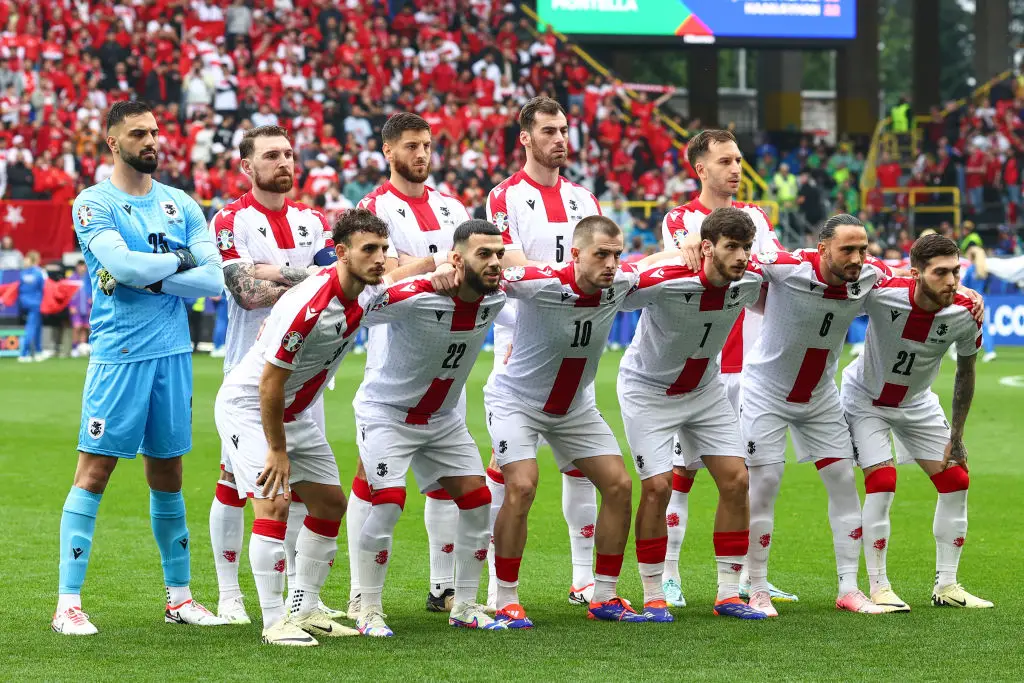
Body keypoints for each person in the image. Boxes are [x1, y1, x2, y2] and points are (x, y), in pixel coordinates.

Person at [213, 208, 449, 646]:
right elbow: (269, 382)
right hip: (251, 406)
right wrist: (277, 450)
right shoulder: (310, 305)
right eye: (369, 250)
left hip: (294, 411)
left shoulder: (362, 290)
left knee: (329, 505)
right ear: (340, 253)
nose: (381, 258)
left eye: (383, 249)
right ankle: (272, 621)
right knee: (274, 503)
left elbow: (398, 282)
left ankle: (303, 610)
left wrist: (437, 263)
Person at [55, 100, 227, 635]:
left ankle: (179, 598)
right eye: (138, 133)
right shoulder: (93, 203)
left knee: (169, 474)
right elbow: (122, 265)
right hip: (120, 354)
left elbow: (215, 277)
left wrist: (151, 275)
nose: (152, 140)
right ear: (113, 142)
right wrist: (178, 263)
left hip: (173, 353)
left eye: (155, 131)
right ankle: (68, 604)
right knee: (95, 471)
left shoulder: (181, 203)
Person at [487, 216, 672, 628]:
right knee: (521, 485)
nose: (611, 263)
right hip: (516, 400)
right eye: (601, 254)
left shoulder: (620, 284)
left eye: (617, 254)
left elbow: (660, 264)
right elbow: (488, 270)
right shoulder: (539, 281)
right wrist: (446, 267)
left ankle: (604, 595)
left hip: (574, 407)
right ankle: (505, 597)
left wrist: (694, 247)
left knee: (619, 485)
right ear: (575, 254)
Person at [207, 124, 345, 625]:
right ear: (247, 166)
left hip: (307, 379)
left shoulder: (313, 219)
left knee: (304, 487)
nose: (285, 162)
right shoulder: (230, 219)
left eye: (289, 153)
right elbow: (245, 290)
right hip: (251, 371)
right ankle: (230, 595)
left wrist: (276, 273)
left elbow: (341, 278)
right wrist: (311, 278)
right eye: (271, 155)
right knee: (235, 483)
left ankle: (299, 599)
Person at [353, 220, 508, 637]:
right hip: (387, 413)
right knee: (387, 502)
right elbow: (361, 303)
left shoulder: (500, 296)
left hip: (441, 419)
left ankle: (467, 604)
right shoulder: (417, 295)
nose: (495, 263)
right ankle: (367, 608)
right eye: (484, 255)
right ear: (456, 260)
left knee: (477, 501)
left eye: (499, 254)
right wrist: (421, 271)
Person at [659, 129, 792, 608]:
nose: (736, 168)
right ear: (700, 168)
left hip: (754, 369)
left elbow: (772, 272)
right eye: (724, 161)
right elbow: (691, 259)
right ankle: (670, 573)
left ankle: (749, 577)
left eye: (738, 159)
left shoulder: (756, 217)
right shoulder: (681, 218)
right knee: (682, 472)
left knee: (750, 476)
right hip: (703, 367)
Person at [484, 96, 604, 609]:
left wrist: (560, 280)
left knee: (579, 465)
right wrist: (571, 279)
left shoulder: (584, 198)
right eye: (549, 131)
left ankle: (583, 579)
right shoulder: (504, 196)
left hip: (576, 343)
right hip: (522, 341)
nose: (560, 139)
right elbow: (509, 265)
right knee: (511, 469)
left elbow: (601, 261)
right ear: (526, 139)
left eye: (565, 129)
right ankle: (491, 584)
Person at [619, 207, 768, 621]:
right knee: (657, 487)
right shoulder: (669, 280)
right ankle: (653, 595)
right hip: (648, 391)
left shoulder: (750, 280)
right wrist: (666, 255)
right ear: (706, 248)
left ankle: (727, 594)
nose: (741, 256)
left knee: (737, 480)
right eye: (731, 247)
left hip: (705, 391)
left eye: (746, 247)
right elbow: (624, 280)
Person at [740, 214, 892, 617]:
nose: (858, 258)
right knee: (766, 483)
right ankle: (756, 589)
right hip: (765, 392)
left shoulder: (870, 275)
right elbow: (736, 262)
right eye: (848, 249)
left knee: (844, 481)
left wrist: (968, 293)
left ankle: (848, 587)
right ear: (823, 248)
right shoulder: (786, 266)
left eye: (863, 249)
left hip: (820, 395)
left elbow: (913, 282)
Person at [352, 112, 470, 616]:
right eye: (412, 146)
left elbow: (472, 262)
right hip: (394, 356)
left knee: (444, 477)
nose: (422, 154)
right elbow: (377, 269)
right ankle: (361, 592)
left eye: (427, 145)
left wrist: (436, 266)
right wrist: (432, 265)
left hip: (450, 357)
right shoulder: (373, 206)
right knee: (376, 477)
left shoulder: (453, 206)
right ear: (388, 152)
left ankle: (443, 586)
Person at [841, 234, 992, 611]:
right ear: (915, 274)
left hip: (917, 402)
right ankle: (879, 587)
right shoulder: (882, 291)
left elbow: (966, 374)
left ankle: (947, 585)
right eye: (940, 273)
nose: (952, 281)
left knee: (956, 479)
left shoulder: (965, 310)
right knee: (882, 480)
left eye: (956, 271)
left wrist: (956, 436)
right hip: (866, 399)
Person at [17, 250, 46, 362]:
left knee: (37, 326)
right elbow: (44, 288)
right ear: (37, 259)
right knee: (31, 327)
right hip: (36, 303)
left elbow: (19, 288)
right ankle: (24, 353)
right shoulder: (39, 272)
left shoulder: (22, 273)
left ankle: (38, 351)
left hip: (24, 302)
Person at [68, 260, 93, 357]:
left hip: (86, 307)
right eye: (80, 266)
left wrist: (91, 305)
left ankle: (82, 349)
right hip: (76, 308)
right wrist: (71, 306)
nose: (82, 268)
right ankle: (74, 348)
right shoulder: (72, 279)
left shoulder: (89, 278)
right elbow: (68, 295)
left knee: (85, 328)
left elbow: (92, 293)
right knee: (76, 327)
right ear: (77, 267)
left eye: (84, 266)